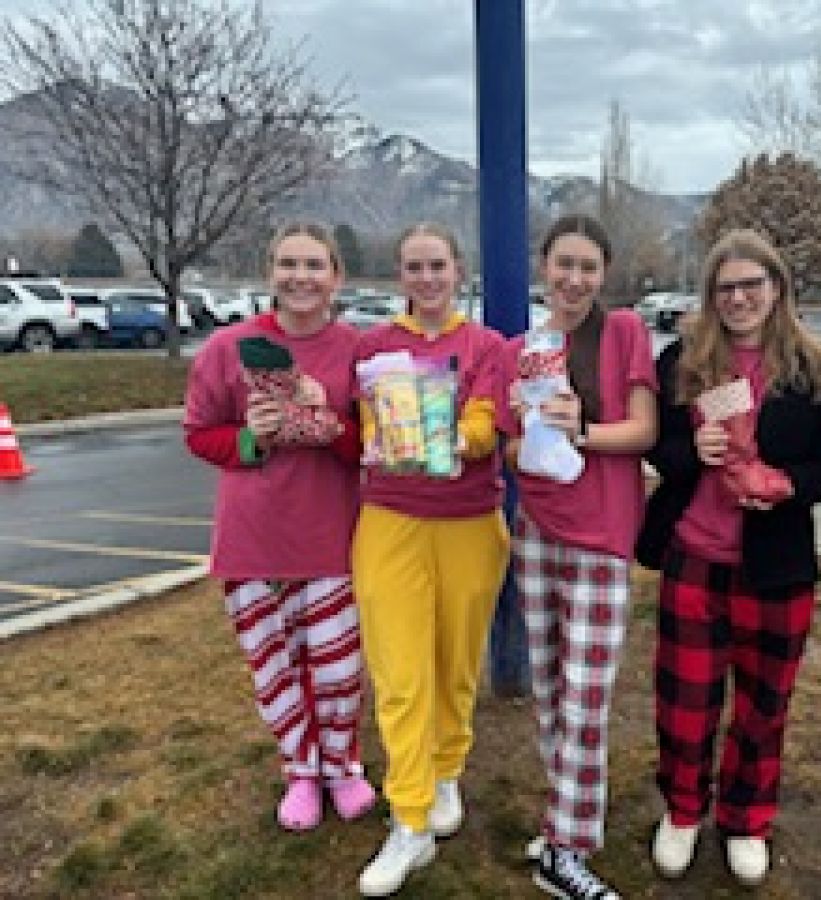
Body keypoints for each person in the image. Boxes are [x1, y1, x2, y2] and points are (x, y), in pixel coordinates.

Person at [634, 229, 821, 886]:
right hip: (696, 559)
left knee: (764, 704)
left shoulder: (816, 372)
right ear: (711, 295)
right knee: (686, 702)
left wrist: (791, 485)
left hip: (777, 567)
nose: (738, 298)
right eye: (725, 287)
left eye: (750, 285)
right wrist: (687, 453)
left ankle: (746, 817)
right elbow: (658, 449)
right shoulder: (683, 364)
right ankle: (681, 811)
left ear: (777, 288)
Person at [183, 222, 374, 833]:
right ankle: (301, 770)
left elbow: (374, 443)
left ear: (336, 277)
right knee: (276, 668)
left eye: (315, 265)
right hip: (253, 537)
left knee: (337, 667)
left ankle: (343, 767)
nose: (301, 277)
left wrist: (329, 424)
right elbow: (198, 433)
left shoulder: (356, 350)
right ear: (271, 272)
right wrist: (250, 438)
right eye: (288, 264)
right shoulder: (228, 348)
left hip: (332, 534)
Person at [496, 213, 657, 900]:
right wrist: (527, 431)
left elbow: (644, 430)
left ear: (604, 273)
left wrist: (580, 429)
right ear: (544, 266)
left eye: (588, 267)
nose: (574, 278)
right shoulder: (521, 349)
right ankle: (564, 829)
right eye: (564, 264)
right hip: (537, 531)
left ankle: (563, 851)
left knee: (588, 700)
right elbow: (506, 450)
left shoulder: (623, 333)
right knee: (551, 694)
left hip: (602, 538)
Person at [353, 223, 510, 897]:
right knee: (399, 672)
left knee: (454, 663)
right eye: (413, 266)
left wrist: (453, 438)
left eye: (436, 265)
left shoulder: (486, 347)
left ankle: (446, 768)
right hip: (390, 522)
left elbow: (488, 425)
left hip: (470, 524)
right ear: (400, 275)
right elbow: (364, 423)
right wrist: (380, 437)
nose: (426, 277)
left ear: (457, 271)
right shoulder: (374, 348)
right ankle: (408, 819)